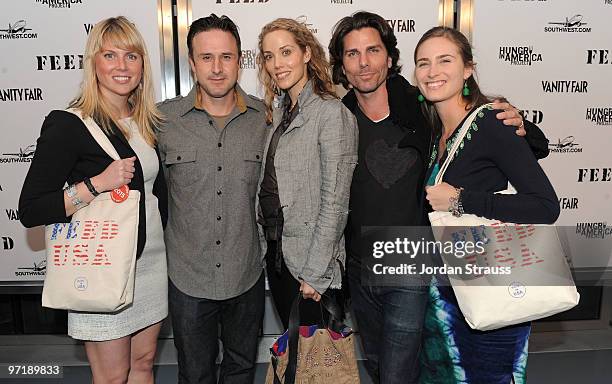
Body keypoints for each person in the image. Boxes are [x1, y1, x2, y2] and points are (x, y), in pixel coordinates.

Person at [327, 11, 550, 384]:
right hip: (362, 266)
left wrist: (522, 123)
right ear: (342, 64)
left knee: (403, 372)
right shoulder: (338, 117)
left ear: (389, 56)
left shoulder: (420, 103)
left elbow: (514, 145)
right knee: (386, 367)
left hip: (415, 265)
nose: (364, 63)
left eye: (373, 50)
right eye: (352, 54)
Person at [19, 16, 167, 383]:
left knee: (144, 364)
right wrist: (94, 184)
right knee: (112, 376)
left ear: (143, 65)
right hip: (101, 266)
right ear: (94, 63)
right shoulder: (69, 124)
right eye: (111, 55)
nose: (122, 66)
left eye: (132, 56)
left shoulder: (147, 122)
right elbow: (31, 209)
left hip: (150, 265)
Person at [415, 26, 560, 384]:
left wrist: (461, 199)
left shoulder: (490, 122)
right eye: (423, 63)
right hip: (445, 296)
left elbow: (544, 206)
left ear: (467, 69)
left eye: (444, 60)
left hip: (491, 292)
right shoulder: (437, 132)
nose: (432, 71)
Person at [156, 14, 268, 384]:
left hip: (246, 274)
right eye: (206, 58)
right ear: (191, 62)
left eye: (226, 57)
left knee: (240, 371)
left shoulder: (265, 118)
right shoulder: (162, 121)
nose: (217, 68)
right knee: (195, 375)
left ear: (241, 59)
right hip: (188, 279)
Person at [256, 18, 358, 328]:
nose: (277, 64)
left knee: (317, 367)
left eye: (285, 52)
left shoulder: (331, 113)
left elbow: (335, 203)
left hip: (311, 266)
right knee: (295, 360)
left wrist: (315, 273)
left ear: (306, 54)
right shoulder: (279, 114)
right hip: (280, 256)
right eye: (269, 56)